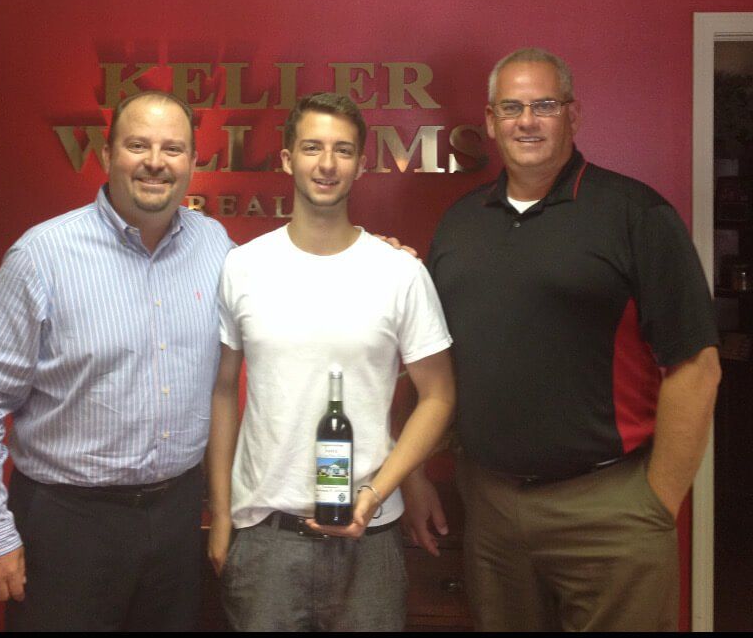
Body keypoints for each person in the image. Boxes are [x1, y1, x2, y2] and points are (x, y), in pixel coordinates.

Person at [410, 47, 721, 632]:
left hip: (609, 507)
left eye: (544, 105)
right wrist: (418, 470)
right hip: (492, 508)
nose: (527, 120)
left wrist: (657, 502)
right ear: (492, 121)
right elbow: (435, 360)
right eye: (513, 107)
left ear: (573, 116)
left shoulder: (636, 214)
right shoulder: (460, 223)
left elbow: (696, 365)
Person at [0, 90, 233, 631]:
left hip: (176, 519)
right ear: (107, 155)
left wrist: (377, 259)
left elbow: (282, 301)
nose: (155, 161)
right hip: (67, 523)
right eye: (138, 145)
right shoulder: (43, 255)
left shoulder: (215, 246)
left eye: (173, 149)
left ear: (194, 162)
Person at [206, 92, 456, 632]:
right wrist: (222, 517)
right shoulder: (243, 267)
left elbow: (439, 396)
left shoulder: (399, 273)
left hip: (370, 541)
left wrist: (377, 492)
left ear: (361, 163)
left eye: (342, 150)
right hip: (265, 538)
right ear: (286, 159)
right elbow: (223, 390)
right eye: (312, 148)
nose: (326, 164)